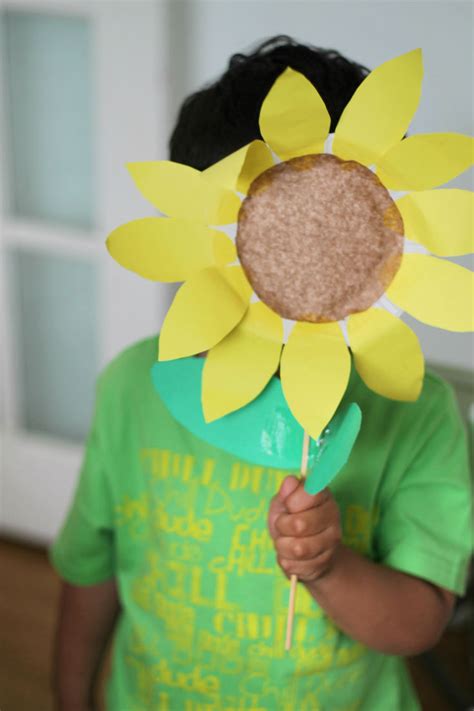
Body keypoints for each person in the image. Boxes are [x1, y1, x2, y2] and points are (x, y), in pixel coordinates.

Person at [51, 36, 472, 711]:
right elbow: (91, 566)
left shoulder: (415, 412)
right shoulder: (135, 386)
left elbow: (420, 620)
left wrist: (330, 567)